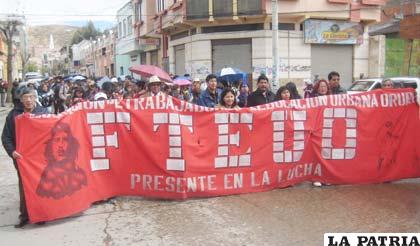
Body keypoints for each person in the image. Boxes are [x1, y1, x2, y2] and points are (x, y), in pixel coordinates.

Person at [1, 87, 48, 228]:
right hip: (22, 159)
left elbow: (53, 132)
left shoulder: (43, 113)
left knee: (41, 186)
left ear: (35, 98)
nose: (28, 100)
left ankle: (41, 214)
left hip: (40, 158)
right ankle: (25, 216)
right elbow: (6, 137)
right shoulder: (13, 115)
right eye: (25, 97)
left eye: (31, 97)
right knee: (24, 186)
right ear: (21, 100)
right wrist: (12, 152)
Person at [36, 123, 87, 200]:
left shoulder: (80, 176)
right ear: (50, 145)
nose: (61, 144)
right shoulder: (46, 178)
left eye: (65, 140)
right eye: (56, 140)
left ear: (71, 144)